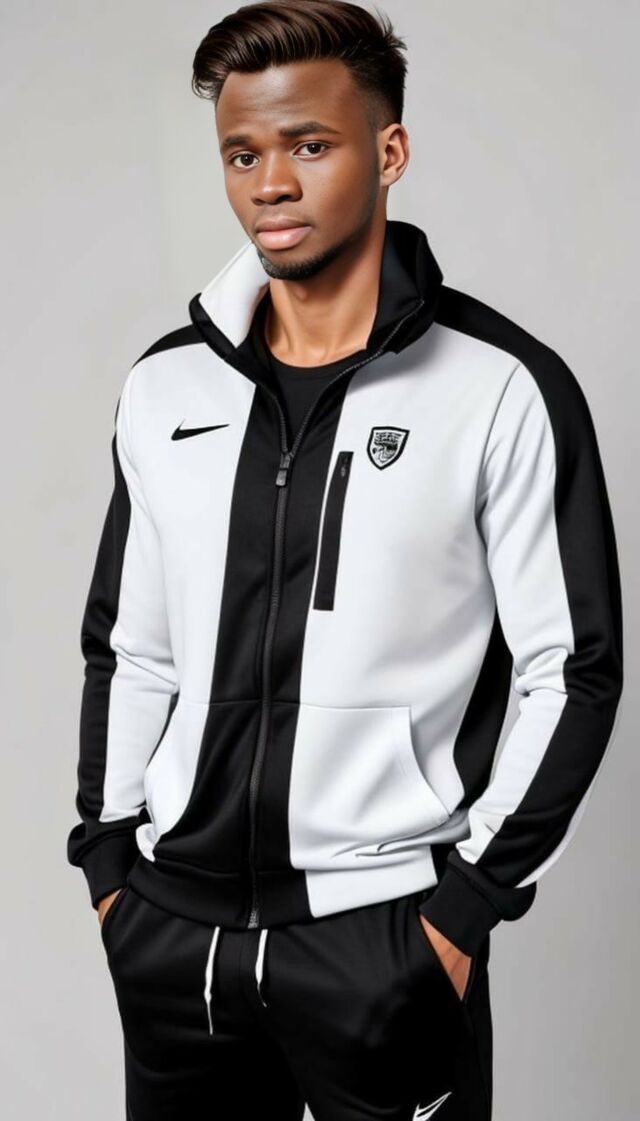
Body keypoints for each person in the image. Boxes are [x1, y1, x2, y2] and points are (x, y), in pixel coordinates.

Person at [66, 2, 624, 1118]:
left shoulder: (501, 387)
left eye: (309, 145)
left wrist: (461, 913)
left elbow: (571, 670)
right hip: (174, 937)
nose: (270, 183)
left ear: (389, 150)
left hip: (383, 938)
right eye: (241, 153)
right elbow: (131, 648)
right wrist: (109, 867)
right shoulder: (165, 387)